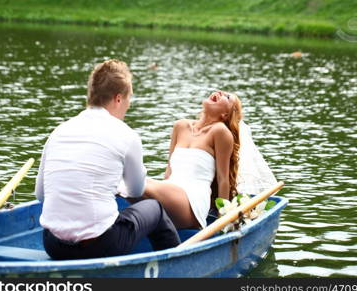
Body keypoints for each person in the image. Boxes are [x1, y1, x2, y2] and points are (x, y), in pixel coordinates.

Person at [35, 59, 180, 260]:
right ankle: (178, 266)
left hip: (53, 245)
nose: (128, 107)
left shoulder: (58, 132)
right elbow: (137, 190)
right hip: (99, 245)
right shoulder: (126, 135)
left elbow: (41, 195)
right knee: (154, 208)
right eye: (129, 100)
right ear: (118, 99)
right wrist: (117, 186)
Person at [143, 91, 242, 229]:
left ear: (225, 114)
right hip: (168, 193)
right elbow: (168, 171)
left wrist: (222, 220)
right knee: (126, 185)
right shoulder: (180, 126)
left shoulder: (220, 132)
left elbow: (223, 179)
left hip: (192, 202)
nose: (220, 92)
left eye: (227, 97)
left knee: (135, 183)